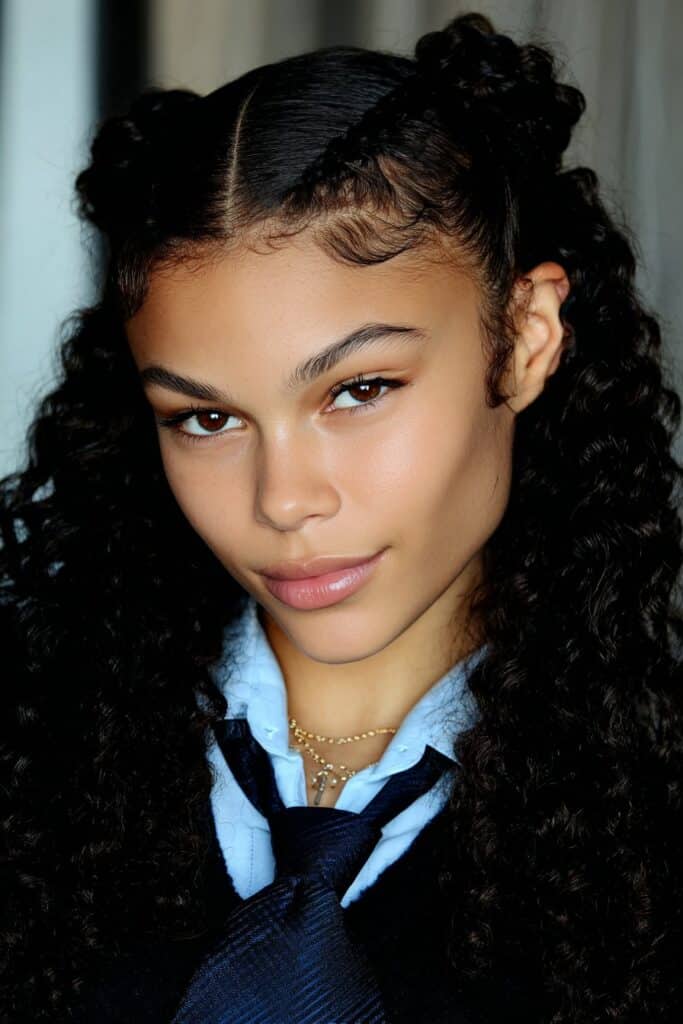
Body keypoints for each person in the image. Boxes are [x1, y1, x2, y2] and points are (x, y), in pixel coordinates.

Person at [2, 10, 682, 1023]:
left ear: (526, 339)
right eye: (206, 416)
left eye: (357, 390)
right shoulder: (28, 754)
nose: (282, 499)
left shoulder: (654, 820)